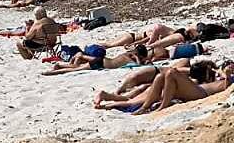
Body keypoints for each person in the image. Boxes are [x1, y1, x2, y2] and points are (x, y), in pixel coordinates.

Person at [95, 60, 232, 114]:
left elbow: (227, 88)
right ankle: (144, 107)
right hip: (194, 90)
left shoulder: (228, 79)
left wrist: (226, 75)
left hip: (201, 93)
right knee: (161, 77)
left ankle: (162, 107)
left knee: (171, 73)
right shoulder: (215, 73)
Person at [42, 44, 153, 76]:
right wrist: (140, 58)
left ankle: (60, 65)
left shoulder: (128, 54)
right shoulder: (132, 57)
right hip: (101, 63)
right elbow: (138, 66)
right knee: (75, 70)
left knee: (78, 67)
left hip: (103, 61)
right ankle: (52, 72)